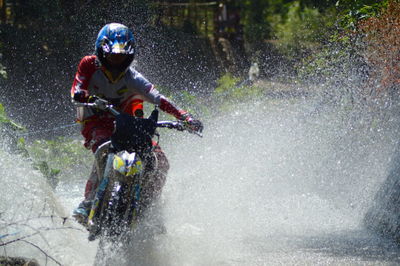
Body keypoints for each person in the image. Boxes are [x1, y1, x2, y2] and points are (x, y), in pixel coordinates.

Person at [71, 23, 203, 224]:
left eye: (122, 56)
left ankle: (149, 208)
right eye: (113, 55)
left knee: (160, 161)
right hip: (94, 121)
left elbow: (158, 98)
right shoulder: (89, 64)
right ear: (101, 51)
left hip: (125, 123)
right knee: (105, 149)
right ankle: (88, 201)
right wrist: (84, 96)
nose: (117, 60)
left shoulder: (133, 77)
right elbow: (77, 89)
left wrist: (185, 117)